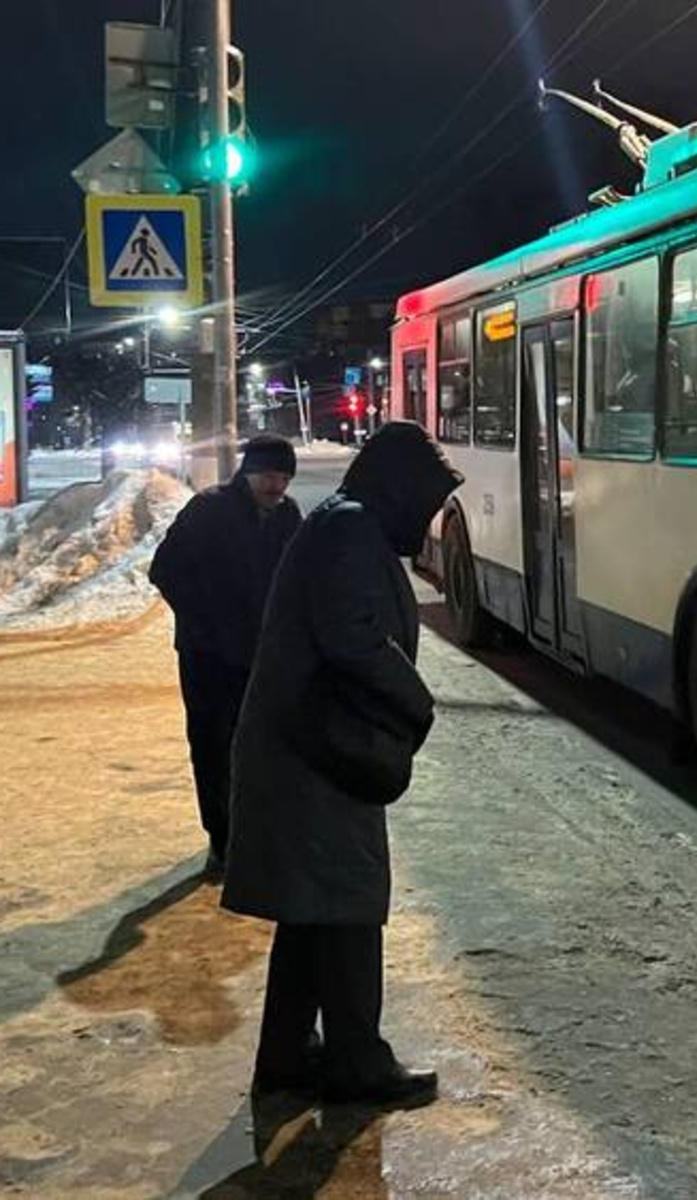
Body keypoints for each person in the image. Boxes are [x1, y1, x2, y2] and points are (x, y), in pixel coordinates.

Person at [222, 421, 462, 1107]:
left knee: (311, 910)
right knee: (349, 907)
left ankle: (289, 1055)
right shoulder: (350, 531)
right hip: (317, 759)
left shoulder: (346, 524)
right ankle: (358, 1061)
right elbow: (354, 640)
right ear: (398, 490)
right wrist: (417, 701)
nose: (428, 517)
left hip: (303, 750)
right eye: (426, 500)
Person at [149, 435, 302, 876]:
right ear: (249, 472)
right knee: (213, 746)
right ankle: (222, 838)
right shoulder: (208, 510)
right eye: (269, 475)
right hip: (208, 656)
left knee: (259, 746)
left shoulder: (288, 515)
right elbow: (165, 569)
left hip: (259, 656)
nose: (277, 485)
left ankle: (256, 834)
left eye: (284, 477)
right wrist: (205, 621)